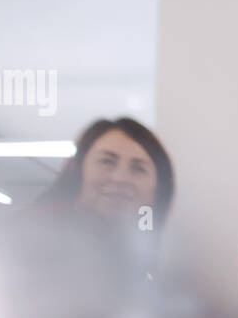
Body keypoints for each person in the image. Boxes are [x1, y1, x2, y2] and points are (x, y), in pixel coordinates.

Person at [31, 117, 175, 277]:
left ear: (156, 191)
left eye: (138, 169)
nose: (120, 178)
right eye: (106, 162)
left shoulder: (159, 263)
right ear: (77, 172)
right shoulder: (26, 243)